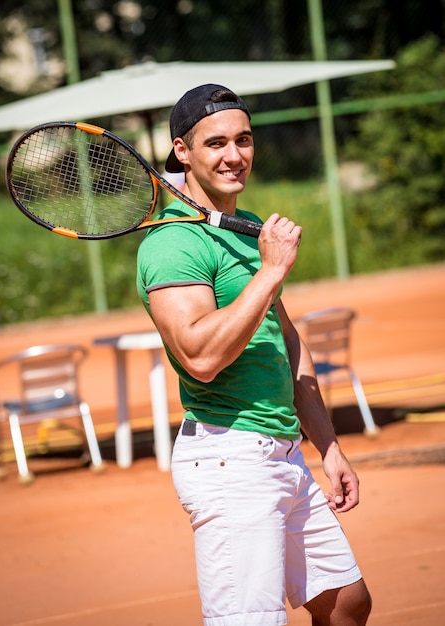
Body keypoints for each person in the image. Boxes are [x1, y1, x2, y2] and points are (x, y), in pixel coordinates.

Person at [136, 84, 372, 626]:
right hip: (229, 458)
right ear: (181, 150)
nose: (234, 156)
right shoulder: (173, 243)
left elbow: (284, 340)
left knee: (346, 605)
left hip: (282, 453)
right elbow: (199, 357)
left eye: (243, 140)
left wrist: (327, 445)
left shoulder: (244, 230)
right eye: (215, 143)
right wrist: (270, 270)